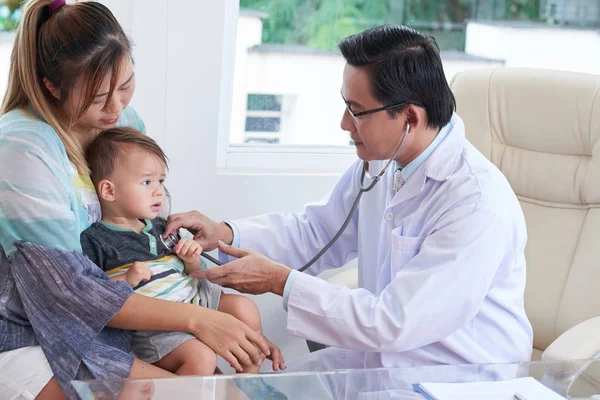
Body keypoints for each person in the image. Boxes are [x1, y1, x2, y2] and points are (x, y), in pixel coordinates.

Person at [164, 25, 534, 372]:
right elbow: (316, 231)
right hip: (381, 361)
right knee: (264, 391)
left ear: (409, 117)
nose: (344, 124)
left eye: (356, 111)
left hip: (455, 375)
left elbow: (394, 321)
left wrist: (281, 281)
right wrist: (225, 234)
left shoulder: (475, 203)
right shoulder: (383, 164)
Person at [0, 1, 268, 398]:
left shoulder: (124, 123)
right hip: (33, 326)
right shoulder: (21, 146)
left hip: (122, 308)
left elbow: (148, 214)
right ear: (51, 86)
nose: (116, 108)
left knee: (217, 381)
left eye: (124, 86)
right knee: (174, 390)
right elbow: (68, 292)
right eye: (97, 98)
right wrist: (195, 319)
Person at [81, 127, 285, 377]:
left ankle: (247, 382)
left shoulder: (162, 227)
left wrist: (191, 260)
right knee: (201, 357)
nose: (158, 191)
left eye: (161, 181)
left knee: (244, 307)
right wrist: (126, 279)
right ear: (109, 191)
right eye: (147, 182)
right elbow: (95, 296)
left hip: (195, 297)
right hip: (157, 324)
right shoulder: (95, 239)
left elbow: (192, 273)